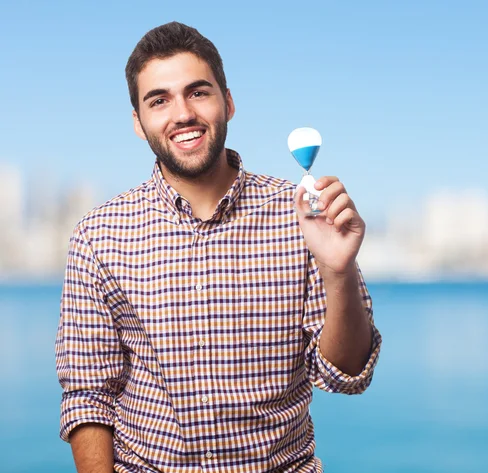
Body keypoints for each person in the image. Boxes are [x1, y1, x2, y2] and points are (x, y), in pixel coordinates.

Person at [55, 21, 382, 473]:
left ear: (227, 102)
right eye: (159, 100)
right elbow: (88, 395)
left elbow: (346, 375)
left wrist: (339, 271)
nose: (182, 113)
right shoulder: (98, 236)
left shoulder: (303, 215)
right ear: (138, 122)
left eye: (198, 92)